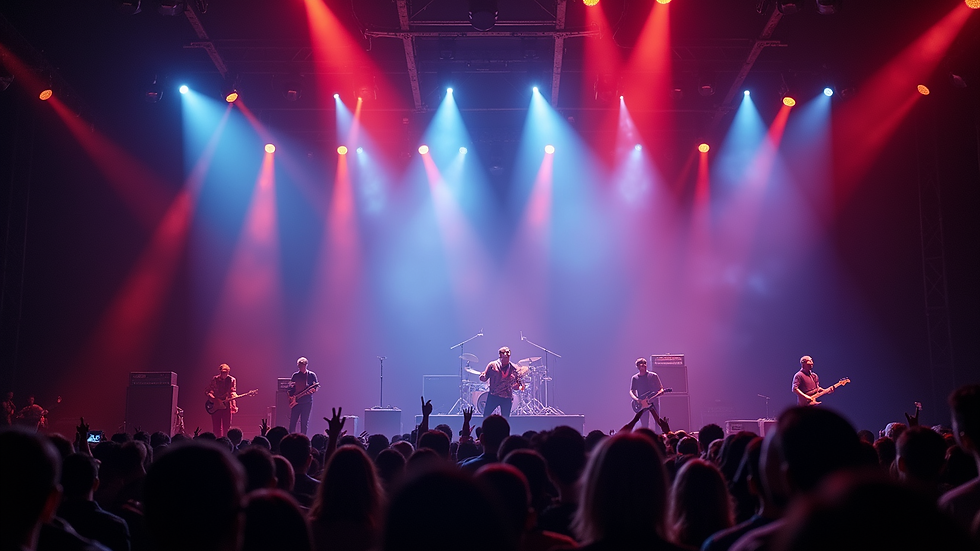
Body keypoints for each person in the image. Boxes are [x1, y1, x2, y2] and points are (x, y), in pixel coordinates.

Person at [479, 346, 522, 418]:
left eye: (508, 352)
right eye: (504, 352)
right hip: (493, 395)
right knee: (486, 416)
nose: (507, 354)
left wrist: (517, 386)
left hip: (507, 397)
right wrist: (482, 377)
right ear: (500, 355)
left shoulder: (514, 368)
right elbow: (484, 377)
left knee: (505, 418)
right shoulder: (492, 365)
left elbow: (519, 384)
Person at [629, 357, 664, 429]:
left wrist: (657, 395)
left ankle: (659, 434)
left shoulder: (653, 376)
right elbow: (632, 391)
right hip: (642, 403)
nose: (643, 366)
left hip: (653, 401)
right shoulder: (635, 378)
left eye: (644, 364)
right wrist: (636, 399)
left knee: (658, 422)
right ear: (638, 367)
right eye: (641, 365)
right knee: (644, 423)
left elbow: (661, 389)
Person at [206, 363, 238, 437]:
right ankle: (217, 441)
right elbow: (209, 391)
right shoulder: (215, 379)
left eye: (226, 372)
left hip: (226, 405)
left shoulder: (231, 380)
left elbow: (232, 392)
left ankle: (225, 440)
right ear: (220, 372)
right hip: (216, 405)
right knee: (216, 426)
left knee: (227, 426)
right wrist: (215, 400)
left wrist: (234, 404)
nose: (225, 374)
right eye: (223, 372)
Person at [288, 357, 318, 434]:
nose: (300, 368)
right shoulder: (295, 375)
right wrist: (291, 397)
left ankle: (303, 438)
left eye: (302, 366)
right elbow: (290, 387)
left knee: (304, 423)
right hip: (296, 402)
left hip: (307, 402)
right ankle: (290, 437)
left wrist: (313, 390)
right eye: (299, 366)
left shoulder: (311, 375)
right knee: (292, 422)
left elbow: (315, 387)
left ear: (306, 365)